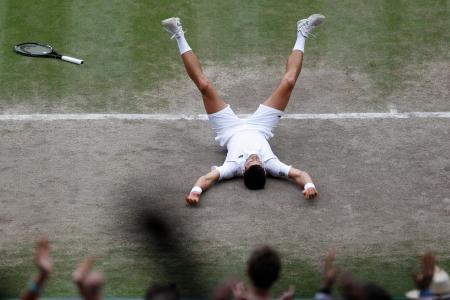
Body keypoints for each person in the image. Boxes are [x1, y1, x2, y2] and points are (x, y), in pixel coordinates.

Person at [161, 14, 324, 205]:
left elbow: (206, 179)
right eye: (258, 162)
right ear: (264, 169)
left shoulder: (231, 167)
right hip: (260, 127)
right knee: (288, 82)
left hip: (228, 129)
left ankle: (178, 33)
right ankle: (302, 32)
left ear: (244, 170)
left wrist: (195, 192)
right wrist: (309, 186)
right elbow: (300, 175)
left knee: (204, 85)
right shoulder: (272, 165)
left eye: (251, 162)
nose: (255, 158)